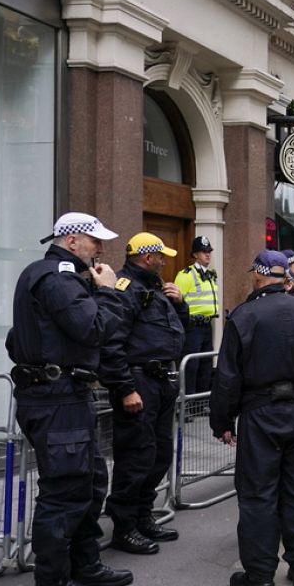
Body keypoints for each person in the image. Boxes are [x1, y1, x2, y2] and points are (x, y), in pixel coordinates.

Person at [7, 212, 132, 586]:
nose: (101, 249)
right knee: (64, 492)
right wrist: (110, 292)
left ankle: (85, 564)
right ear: (73, 240)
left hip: (61, 394)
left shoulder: (52, 277)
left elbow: (17, 341)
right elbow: (92, 328)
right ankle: (52, 585)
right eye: (95, 241)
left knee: (88, 481)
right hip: (56, 398)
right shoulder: (58, 278)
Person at [210, 250, 294, 586]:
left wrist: (222, 420)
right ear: (285, 277)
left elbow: (227, 377)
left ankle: (261, 575)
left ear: (259, 275)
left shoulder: (244, 316)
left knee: (258, 496)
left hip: (260, 413)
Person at [100, 232, 187, 555]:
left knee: (159, 454)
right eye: (161, 256)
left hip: (162, 380)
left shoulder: (154, 288)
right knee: (135, 456)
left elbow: (175, 332)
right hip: (139, 382)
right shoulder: (126, 289)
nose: (165, 261)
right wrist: (125, 388)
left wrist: (180, 304)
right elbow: (113, 342)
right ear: (147, 258)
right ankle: (124, 526)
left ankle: (142, 515)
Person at [174, 235, 219, 400]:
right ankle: (188, 403)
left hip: (207, 325)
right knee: (191, 365)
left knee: (206, 363)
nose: (207, 255)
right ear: (194, 255)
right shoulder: (185, 275)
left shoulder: (211, 275)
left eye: (209, 252)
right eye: (203, 252)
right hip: (192, 325)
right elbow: (176, 303)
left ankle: (200, 402)